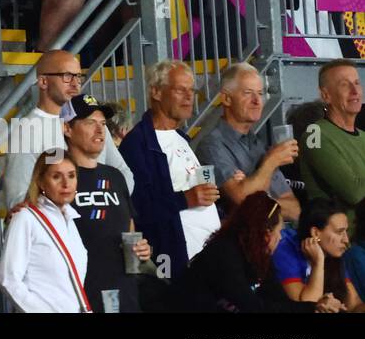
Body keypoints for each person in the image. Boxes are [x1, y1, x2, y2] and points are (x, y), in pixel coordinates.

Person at [119, 60, 222, 275]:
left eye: (192, 90)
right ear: (156, 92)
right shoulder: (137, 144)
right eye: (180, 90)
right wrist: (186, 198)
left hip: (207, 257)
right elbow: (138, 207)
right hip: (177, 263)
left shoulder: (181, 137)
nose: (189, 96)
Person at [1, 50, 135, 209]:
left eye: (78, 76)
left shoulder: (92, 123)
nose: (75, 83)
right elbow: (17, 199)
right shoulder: (26, 131)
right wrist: (66, 210)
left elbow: (123, 173)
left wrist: (105, 202)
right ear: (43, 81)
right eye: (66, 76)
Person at [64, 94, 152, 313]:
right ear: (67, 128)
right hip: (80, 297)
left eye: (103, 123)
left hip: (126, 294)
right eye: (89, 123)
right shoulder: (59, 178)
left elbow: (130, 230)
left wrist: (143, 251)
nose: (99, 130)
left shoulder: (115, 176)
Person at [174, 192, 318, 313]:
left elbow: (280, 300)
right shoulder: (224, 253)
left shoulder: (258, 255)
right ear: (266, 233)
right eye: (279, 231)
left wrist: (317, 308)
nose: (280, 237)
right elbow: (253, 308)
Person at [196, 63, 301, 220]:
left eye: (260, 93)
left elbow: (294, 209)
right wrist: (271, 161)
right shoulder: (211, 145)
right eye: (248, 93)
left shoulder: (256, 144)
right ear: (226, 98)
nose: (257, 101)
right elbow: (240, 199)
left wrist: (256, 193)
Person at [0, 151, 92, 312]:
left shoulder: (70, 220)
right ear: (41, 182)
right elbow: (8, 280)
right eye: (56, 176)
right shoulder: (25, 218)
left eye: (71, 175)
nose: (66, 183)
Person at [300, 60, 365, 236]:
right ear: (326, 96)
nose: (355, 90)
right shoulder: (315, 133)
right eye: (345, 85)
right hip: (344, 244)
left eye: (357, 83)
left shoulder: (363, 136)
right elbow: (354, 191)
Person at [270, 199, 359, 310]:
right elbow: (306, 307)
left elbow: (354, 303)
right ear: (316, 233)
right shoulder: (285, 249)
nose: (346, 240)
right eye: (339, 232)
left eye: (346, 231)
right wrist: (319, 262)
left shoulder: (334, 253)